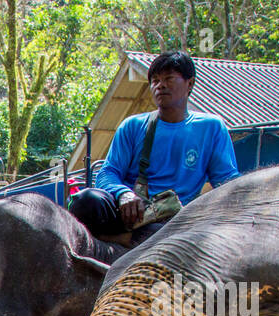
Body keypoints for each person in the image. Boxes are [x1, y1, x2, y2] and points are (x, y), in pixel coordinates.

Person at [69, 51, 238, 245]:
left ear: (189, 84)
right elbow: (107, 173)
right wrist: (124, 194)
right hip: (129, 215)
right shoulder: (132, 125)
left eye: (168, 79)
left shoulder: (211, 127)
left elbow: (227, 181)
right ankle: (128, 238)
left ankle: (127, 241)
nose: (160, 85)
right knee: (85, 200)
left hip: (177, 219)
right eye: (155, 80)